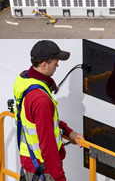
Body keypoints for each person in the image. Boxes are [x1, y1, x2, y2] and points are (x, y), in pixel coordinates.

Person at [13, 40, 84, 181]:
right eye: (55, 62)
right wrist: (59, 178)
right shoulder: (40, 99)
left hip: (30, 164)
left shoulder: (24, 80)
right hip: (43, 169)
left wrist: (70, 132)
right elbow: (48, 146)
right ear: (44, 65)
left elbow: (40, 121)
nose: (57, 65)